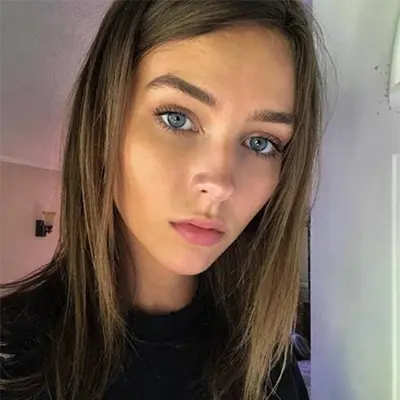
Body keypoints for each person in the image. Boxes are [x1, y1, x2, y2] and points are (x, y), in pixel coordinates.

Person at [0, 0, 322, 399]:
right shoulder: (11, 361)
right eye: (177, 118)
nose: (219, 183)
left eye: (261, 142)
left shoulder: (267, 367)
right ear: (104, 122)